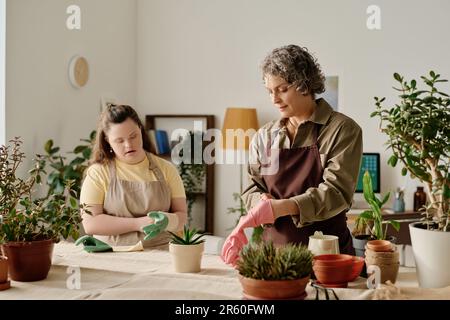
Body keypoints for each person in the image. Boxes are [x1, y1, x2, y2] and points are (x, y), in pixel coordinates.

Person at [241, 45, 363, 255]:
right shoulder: (265, 136)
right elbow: (252, 187)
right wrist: (260, 201)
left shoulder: (342, 130)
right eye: (270, 91)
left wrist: (283, 207)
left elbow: (336, 193)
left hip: (327, 257)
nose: (274, 99)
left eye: (282, 89)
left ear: (304, 84)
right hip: (274, 257)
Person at [80, 104, 187, 248]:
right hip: (112, 254)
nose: (128, 145)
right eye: (119, 140)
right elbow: (90, 223)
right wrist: (137, 224)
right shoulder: (98, 173)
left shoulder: (167, 169)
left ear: (141, 131)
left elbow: (182, 216)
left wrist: (169, 220)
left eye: (133, 136)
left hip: (162, 252)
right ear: (107, 141)